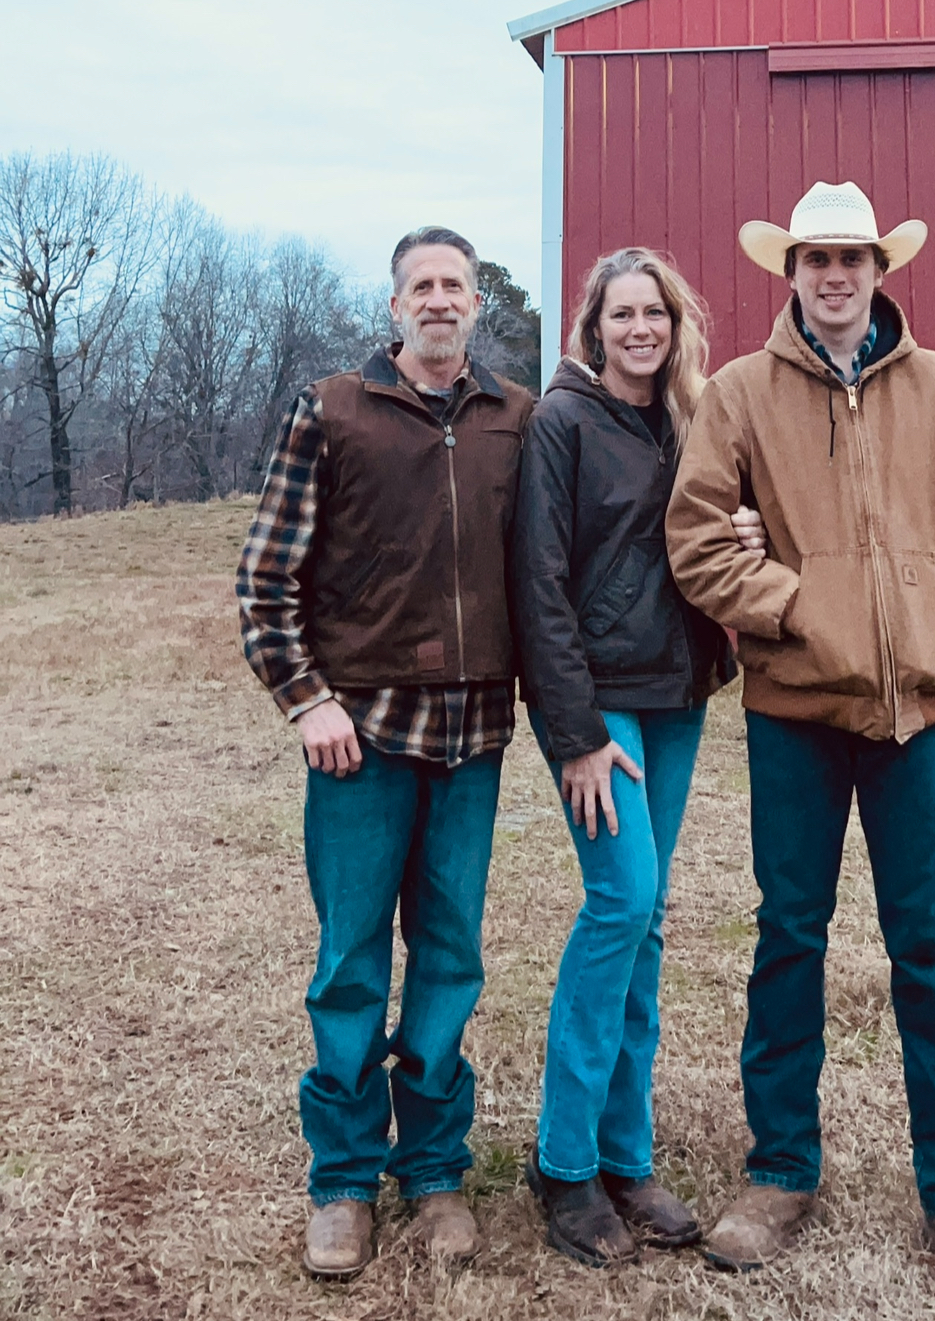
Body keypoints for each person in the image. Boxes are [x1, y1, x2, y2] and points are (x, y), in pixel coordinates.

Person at [665, 181, 935, 1311]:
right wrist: (794, 607)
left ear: (881, 271)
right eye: (816, 259)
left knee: (928, 944)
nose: (834, 277)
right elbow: (698, 540)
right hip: (793, 715)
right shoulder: (737, 395)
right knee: (790, 936)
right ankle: (780, 1170)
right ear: (790, 272)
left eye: (852, 259)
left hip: (918, 715)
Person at [237, 226, 532, 1277]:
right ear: (395, 305)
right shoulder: (332, 410)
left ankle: (436, 1169)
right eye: (422, 285)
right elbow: (265, 579)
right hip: (358, 740)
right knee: (352, 961)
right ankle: (345, 1178)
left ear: (476, 305)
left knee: (450, 956)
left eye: (456, 284)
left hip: (474, 736)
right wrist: (306, 699)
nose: (440, 299)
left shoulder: (516, 418)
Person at [511, 248, 758, 1266]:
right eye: (621, 314)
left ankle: (626, 1155)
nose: (640, 329)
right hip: (599, 704)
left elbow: (716, 537)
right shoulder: (563, 423)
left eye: (654, 312)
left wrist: (749, 533)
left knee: (646, 919)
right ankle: (564, 1164)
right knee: (619, 902)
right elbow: (538, 583)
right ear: (594, 328)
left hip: (676, 694)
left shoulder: (693, 420)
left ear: (675, 322)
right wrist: (575, 736)